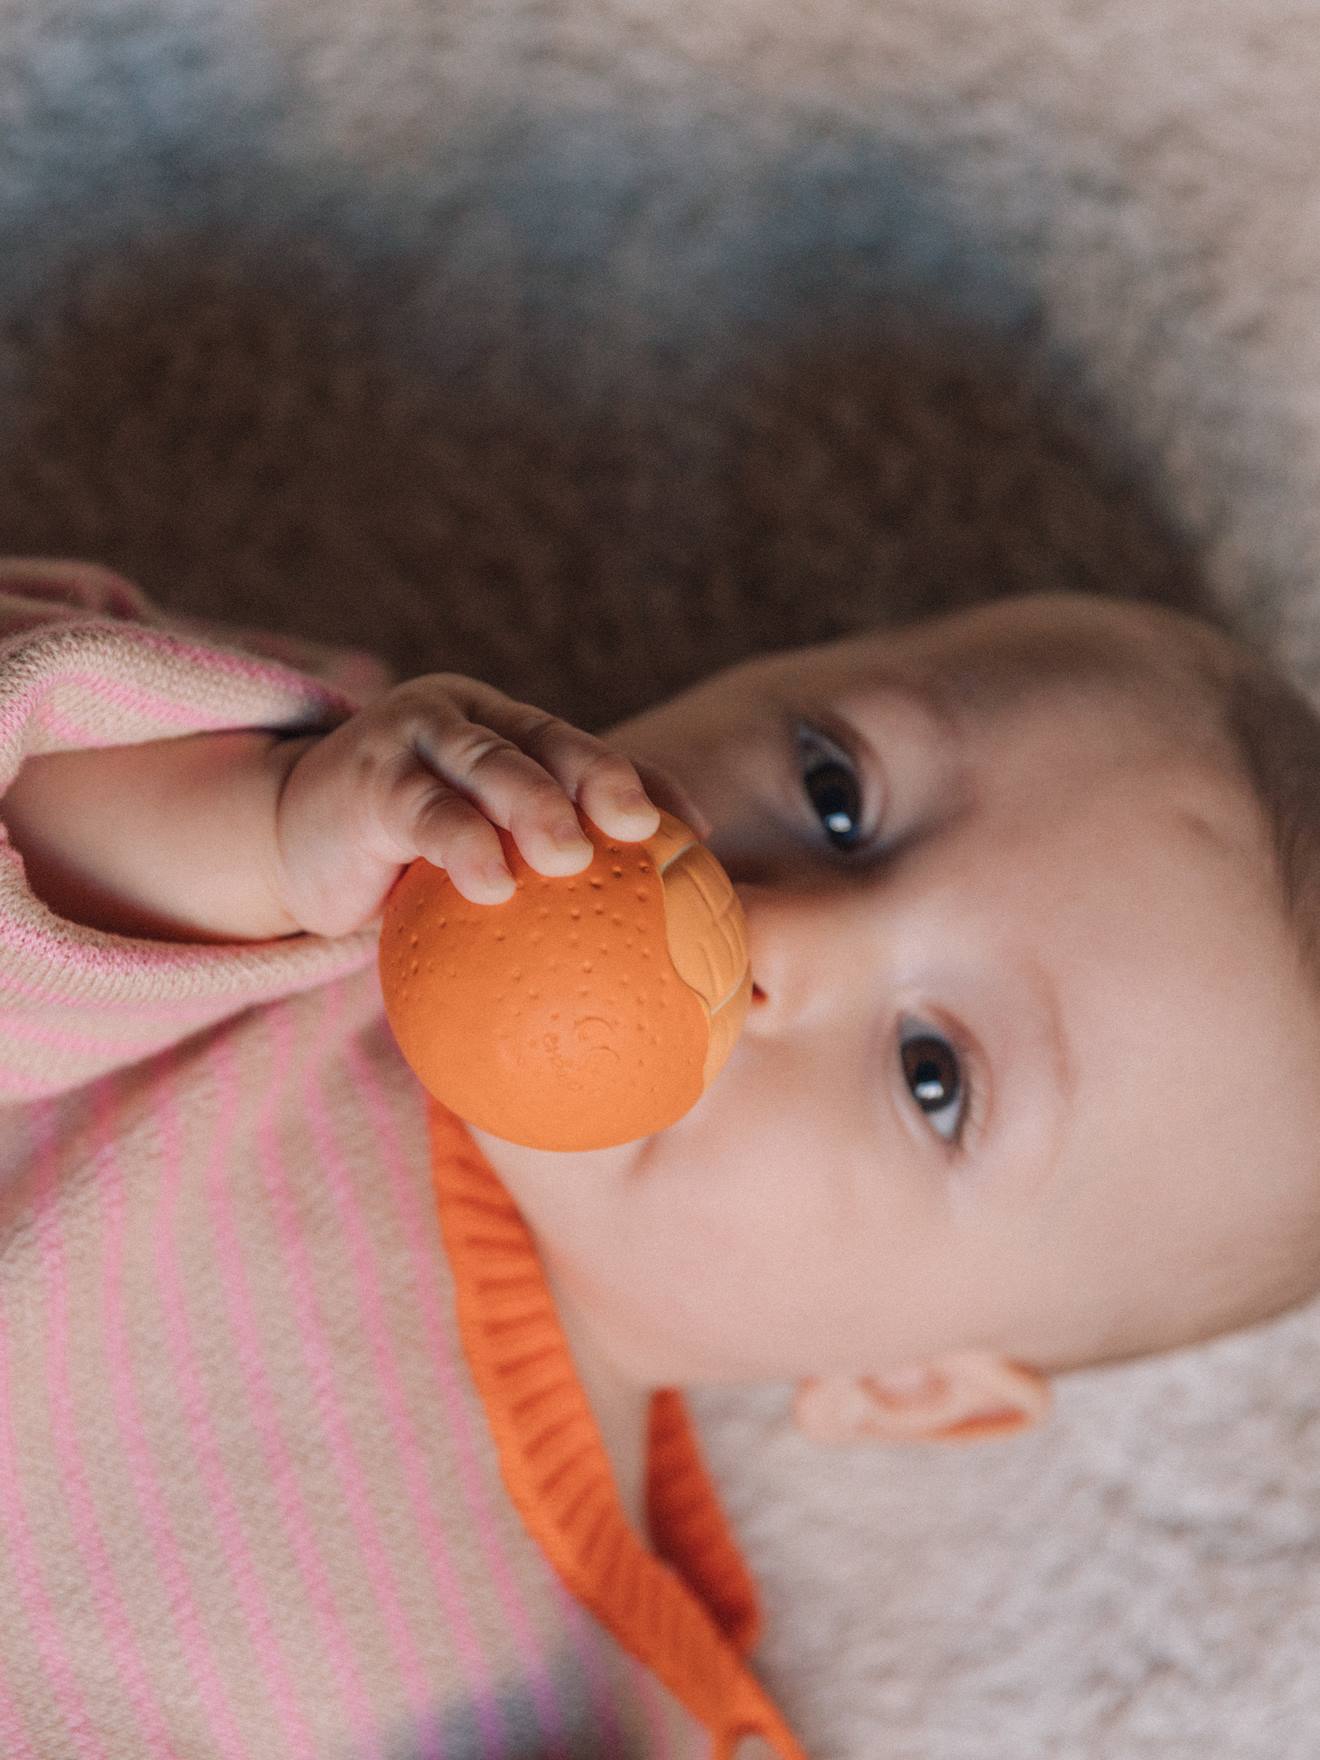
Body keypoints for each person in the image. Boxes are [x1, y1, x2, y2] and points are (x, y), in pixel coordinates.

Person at [2, 557, 1318, 1759]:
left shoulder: (590, 1699)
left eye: (934, 1078)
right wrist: (263, 834)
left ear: (909, 1387)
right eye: (837, 797)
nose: (771, 930)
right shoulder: (362, 840)